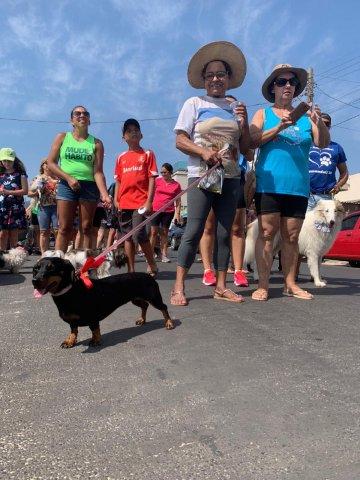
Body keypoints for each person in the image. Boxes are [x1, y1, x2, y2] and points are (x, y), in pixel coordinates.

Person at [170, 41, 251, 306]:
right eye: (210, 75)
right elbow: (180, 140)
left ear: (229, 78)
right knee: (194, 229)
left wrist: (244, 123)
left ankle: (220, 286)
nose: (216, 79)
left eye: (221, 74)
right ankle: (179, 286)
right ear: (204, 80)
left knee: (226, 232)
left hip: (230, 177)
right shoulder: (194, 103)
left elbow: (246, 149)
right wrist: (203, 153)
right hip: (201, 176)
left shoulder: (236, 106)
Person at [249, 64, 330, 301]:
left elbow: (323, 143)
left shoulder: (306, 117)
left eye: (292, 82)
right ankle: (263, 284)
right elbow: (253, 141)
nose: (287, 86)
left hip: (297, 187)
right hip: (269, 185)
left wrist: (319, 122)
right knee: (266, 233)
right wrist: (278, 127)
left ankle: (290, 283)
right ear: (272, 88)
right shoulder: (263, 114)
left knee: (292, 237)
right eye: (281, 82)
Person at [47, 105, 111, 253]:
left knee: (87, 227)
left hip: (89, 186)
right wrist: (68, 178)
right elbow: (51, 162)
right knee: (64, 228)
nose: (82, 115)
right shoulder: (62, 137)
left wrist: (105, 194)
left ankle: (86, 267)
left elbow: (98, 172)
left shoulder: (97, 143)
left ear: (89, 120)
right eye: (77, 113)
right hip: (66, 184)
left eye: (85, 114)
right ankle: (58, 263)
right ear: (72, 120)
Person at [114, 118, 158, 275]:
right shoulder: (121, 157)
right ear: (123, 137)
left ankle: (152, 263)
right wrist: (116, 199)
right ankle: (131, 270)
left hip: (140, 202)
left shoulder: (147, 154)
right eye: (128, 130)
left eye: (136, 130)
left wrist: (149, 201)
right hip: (124, 202)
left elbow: (152, 178)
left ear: (141, 135)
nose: (133, 132)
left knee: (139, 234)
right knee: (127, 236)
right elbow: (118, 180)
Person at [308, 112, 349, 209]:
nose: (324, 126)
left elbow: (344, 173)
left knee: (325, 224)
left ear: (330, 127)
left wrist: (338, 185)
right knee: (304, 224)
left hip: (326, 196)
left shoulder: (337, 147)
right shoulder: (306, 144)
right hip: (306, 195)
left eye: (327, 124)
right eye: (321, 123)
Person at [150, 163, 182, 263]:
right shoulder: (157, 181)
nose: (163, 174)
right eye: (161, 172)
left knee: (164, 233)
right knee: (153, 232)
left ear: (170, 172)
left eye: (165, 172)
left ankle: (164, 254)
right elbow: (150, 194)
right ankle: (150, 254)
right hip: (156, 209)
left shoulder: (176, 185)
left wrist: (177, 213)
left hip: (169, 211)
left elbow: (178, 200)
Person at [0, 148, 28, 250]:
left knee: (13, 235)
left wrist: (9, 192)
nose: (7, 163)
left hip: (15, 208)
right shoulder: (0, 174)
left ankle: (13, 260)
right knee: (2, 234)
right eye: (4, 160)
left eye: (9, 160)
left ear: (14, 160)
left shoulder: (21, 174)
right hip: (2, 208)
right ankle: (2, 258)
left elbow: (25, 191)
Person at [28, 158, 59, 254]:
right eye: (45, 163)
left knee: (57, 231)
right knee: (43, 231)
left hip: (57, 207)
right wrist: (38, 192)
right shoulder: (38, 178)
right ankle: (44, 254)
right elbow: (29, 193)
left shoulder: (59, 178)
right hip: (43, 207)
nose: (47, 165)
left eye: (49, 163)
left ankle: (57, 254)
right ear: (42, 166)